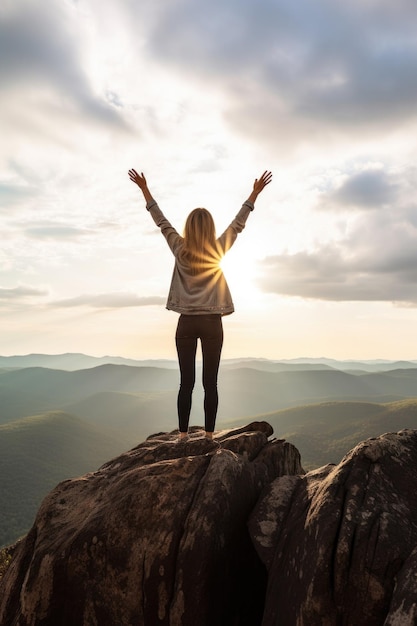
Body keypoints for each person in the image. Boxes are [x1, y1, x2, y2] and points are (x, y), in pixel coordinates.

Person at [128, 168, 272, 442]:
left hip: (186, 321)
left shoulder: (179, 248)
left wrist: (144, 190)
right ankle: (208, 436)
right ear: (210, 229)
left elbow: (161, 221)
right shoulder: (217, 249)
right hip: (212, 323)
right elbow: (237, 224)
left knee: (186, 383)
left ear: (189, 228)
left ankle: (182, 435)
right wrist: (254, 194)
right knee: (210, 383)